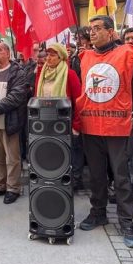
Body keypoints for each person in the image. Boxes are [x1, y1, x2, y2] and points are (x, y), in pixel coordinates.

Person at [77, 15, 133, 249]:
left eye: (97, 28)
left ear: (111, 32)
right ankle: (98, 212)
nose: (92, 32)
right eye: (91, 29)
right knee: (96, 175)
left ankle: (126, 222)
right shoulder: (85, 57)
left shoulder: (128, 54)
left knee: (121, 176)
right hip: (91, 126)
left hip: (117, 127)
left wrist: (127, 115)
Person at [34, 43, 83, 188]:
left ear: (61, 57)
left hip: (65, 122)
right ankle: (55, 178)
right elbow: (36, 98)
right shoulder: (42, 74)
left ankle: (74, 179)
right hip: (46, 122)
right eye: (47, 55)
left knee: (71, 152)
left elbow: (79, 101)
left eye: (52, 55)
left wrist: (76, 125)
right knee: (54, 152)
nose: (48, 58)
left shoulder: (70, 74)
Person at [0, 42, 28, 204]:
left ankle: (13, 188)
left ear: (8, 53)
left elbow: (16, 96)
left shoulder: (18, 72)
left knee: (12, 157)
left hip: (10, 120)